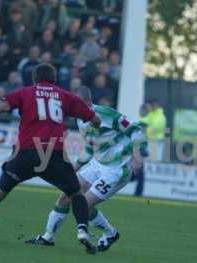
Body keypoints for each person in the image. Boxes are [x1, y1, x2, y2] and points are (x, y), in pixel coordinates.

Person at [0, 63, 102, 255]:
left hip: (27, 154)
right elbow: (94, 118)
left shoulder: (26, 92)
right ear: (54, 79)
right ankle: (82, 230)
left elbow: (4, 104)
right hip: (54, 155)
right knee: (76, 194)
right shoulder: (65, 96)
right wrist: (96, 123)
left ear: (35, 79)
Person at [26, 86, 147, 252]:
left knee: (84, 205)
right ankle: (48, 237)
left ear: (87, 102)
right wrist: (73, 168)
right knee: (65, 197)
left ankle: (110, 233)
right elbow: (91, 148)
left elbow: (136, 129)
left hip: (117, 169)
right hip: (97, 165)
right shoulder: (80, 119)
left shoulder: (105, 113)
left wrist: (138, 157)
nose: (71, 107)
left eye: (74, 103)